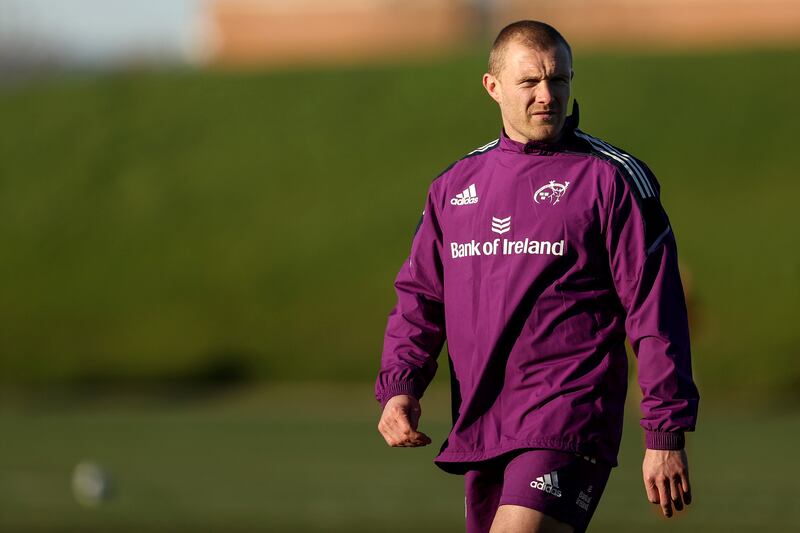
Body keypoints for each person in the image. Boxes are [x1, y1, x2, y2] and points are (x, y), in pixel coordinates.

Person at [374, 20, 700, 533]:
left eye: (559, 80)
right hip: (482, 419)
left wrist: (665, 433)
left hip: (568, 417)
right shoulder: (454, 188)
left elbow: (656, 313)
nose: (547, 95)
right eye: (530, 82)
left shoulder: (612, 179)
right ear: (493, 86)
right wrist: (400, 385)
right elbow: (420, 299)